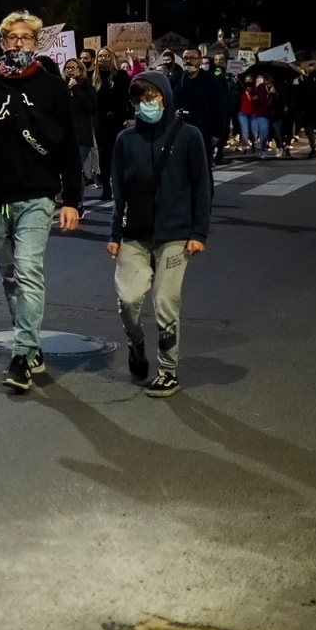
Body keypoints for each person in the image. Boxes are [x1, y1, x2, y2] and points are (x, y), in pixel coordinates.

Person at [0, 11, 83, 394]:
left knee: (27, 269)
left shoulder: (53, 89)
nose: (19, 44)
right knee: (9, 274)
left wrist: (71, 199)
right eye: (12, 38)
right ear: (2, 43)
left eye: (26, 38)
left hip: (37, 195)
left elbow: (68, 148)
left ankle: (22, 353)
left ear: (36, 43)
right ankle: (31, 342)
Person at [107, 72, 211, 398]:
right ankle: (136, 343)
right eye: (138, 100)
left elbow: (202, 187)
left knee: (166, 302)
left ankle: (168, 370)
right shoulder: (125, 140)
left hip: (174, 234)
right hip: (135, 233)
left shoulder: (189, 136)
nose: (144, 105)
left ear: (164, 97)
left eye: (150, 98)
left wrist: (199, 232)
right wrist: (114, 233)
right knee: (128, 301)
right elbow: (118, 191)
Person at [172, 47, 229, 166]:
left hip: (204, 132)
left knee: (203, 169)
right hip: (180, 132)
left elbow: (220, 107)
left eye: (192, 58)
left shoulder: (211, 81)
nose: (188, 61)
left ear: (199, 60)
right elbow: (168, 101)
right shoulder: (176, 79)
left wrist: (217, 133)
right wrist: (175, 111)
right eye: (186, 58)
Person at [91, 49, 133, 199]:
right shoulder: (94, 76)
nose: (104, 58)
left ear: (112, 57)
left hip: (118, 117)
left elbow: (130, 96)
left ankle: (120, 184)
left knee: (118, 152)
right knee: (104, 153)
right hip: (101, 119)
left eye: (107, 55)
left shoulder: (120, 75)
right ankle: (106, 188)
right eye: (101, 56)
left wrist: (130, 115)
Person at [62, 57, 97, 188]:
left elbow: (90, 106)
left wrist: (76, 89)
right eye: (68, 68)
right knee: (69, 170)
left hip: (82, 136)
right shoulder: (61, 87)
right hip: (66, 136)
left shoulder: (87, 86)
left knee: (75, 168)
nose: (70, 70)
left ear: (81, 70)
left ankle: (77, 201)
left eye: (73, 68)